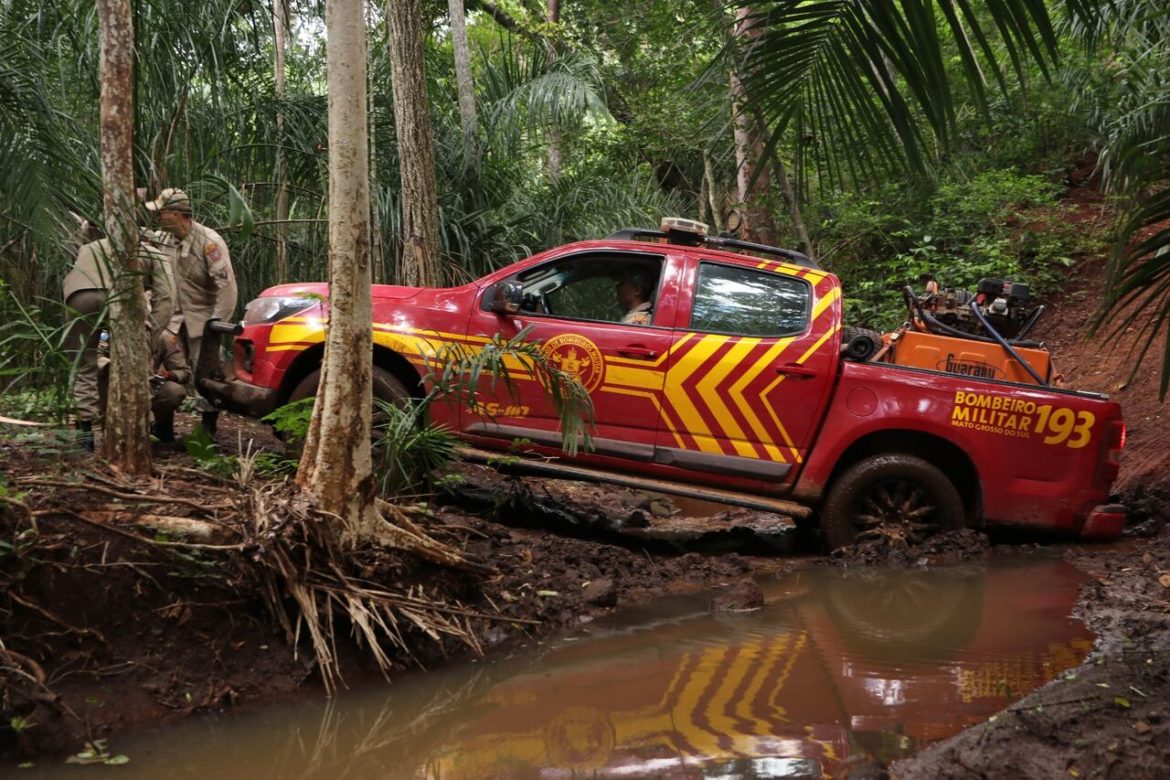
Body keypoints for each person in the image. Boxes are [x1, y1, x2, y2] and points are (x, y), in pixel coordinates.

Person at [63, 232, 174, 450]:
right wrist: (149, 337)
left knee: (83, 362)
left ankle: (84, 438)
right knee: (135, 365)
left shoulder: (91, 246)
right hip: (120, 293)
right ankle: (137, 435)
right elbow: (167, 298)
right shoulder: (152, 253)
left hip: (78, 294)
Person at [144, 187, 237, 436]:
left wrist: (217, 324)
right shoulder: (164, 240)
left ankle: (208, 428)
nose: (159, 217)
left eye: (162, 212)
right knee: (167, 368)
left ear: (175, 214)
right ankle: (163, 427)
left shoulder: (209, 242)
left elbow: (226, 287)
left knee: (206, 375)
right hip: (171, 319)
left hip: (202, 320)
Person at [149, 330, 190, 444]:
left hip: (151, 386)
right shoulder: (114, 330)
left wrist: (168, 374)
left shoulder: (164, 336)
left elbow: (184, 372)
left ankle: (159, 427)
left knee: (174, 391)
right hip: (119, 387)